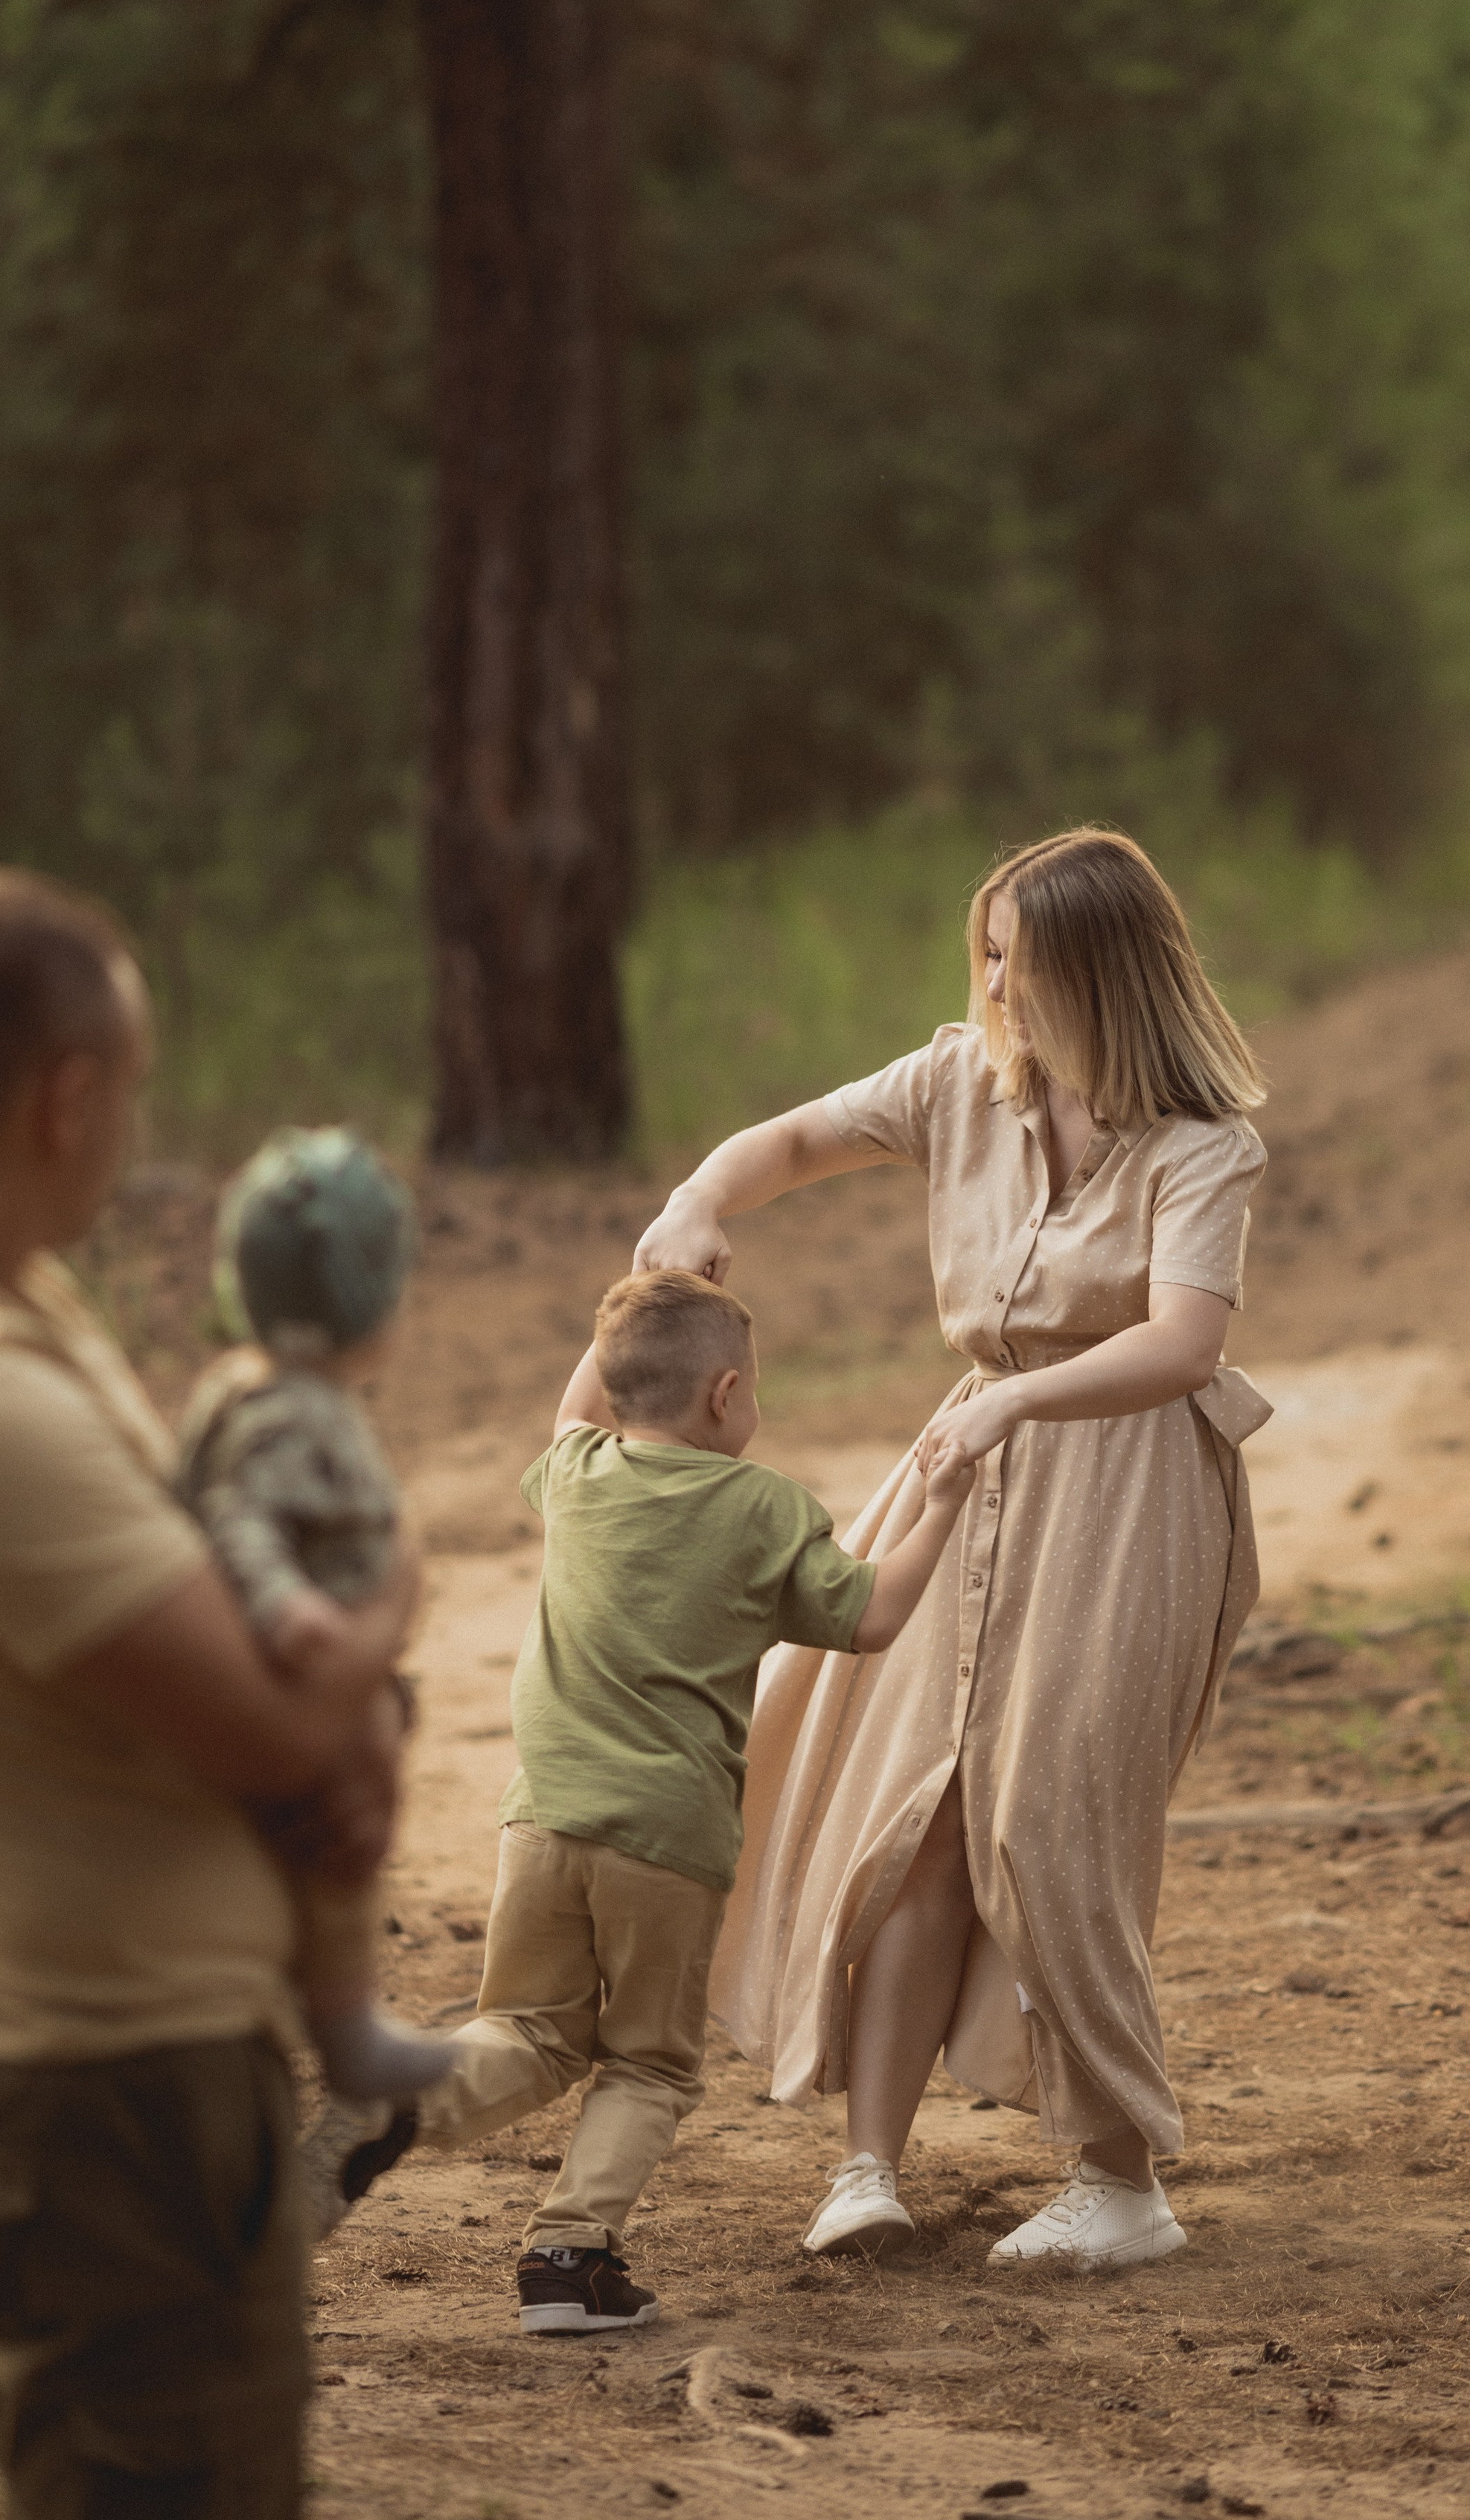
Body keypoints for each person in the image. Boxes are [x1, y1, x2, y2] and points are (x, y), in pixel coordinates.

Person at [636, 826, 1272, 2271]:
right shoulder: (958, 1084)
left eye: (1019, 965)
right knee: (911, 1808)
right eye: (984, 955)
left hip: (1131, 1490)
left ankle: (1121, 2181)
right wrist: (698, 1200)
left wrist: (1018, 1404)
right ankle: (867, 2169)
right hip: (971, 1466)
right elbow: (795, 1141)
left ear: (1101, 977)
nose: (992, 988)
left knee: (1051, 1817)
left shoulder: (1201, 1147)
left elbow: (1183, 1345)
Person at [0, 870, 415, 2519]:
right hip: (119, 2086)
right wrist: (391, 1613)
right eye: (138, 1086)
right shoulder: (12, 1408)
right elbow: (278, 1722)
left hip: (128, 2055)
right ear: (68, 1098)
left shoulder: (41, 1307)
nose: (137, 1125)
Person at [408, 1265, 975, 2335]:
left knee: (526, 2031)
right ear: (726, 1393)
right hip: (666, 1842)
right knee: (648, 2064)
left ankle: (386, 2108)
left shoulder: (575, 1472)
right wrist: (941, 1504)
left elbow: (579, 1406)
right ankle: (568, 2262)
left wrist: (638, 1289)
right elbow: (873, 1617)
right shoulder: (765, 1510)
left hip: (540, 1820)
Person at [176, 1127, 456, 2110]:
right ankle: (344, 2028)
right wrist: (288, 1606)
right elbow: (237, 1521)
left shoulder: (266, 1391)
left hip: (323, 1657)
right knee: (347, 1833)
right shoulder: (287, 1415)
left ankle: (329, 2014)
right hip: (308, 1667)